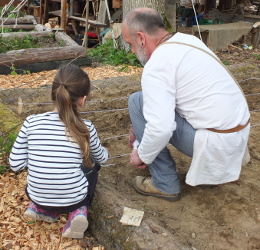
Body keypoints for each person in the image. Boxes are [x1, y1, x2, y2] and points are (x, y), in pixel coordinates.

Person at [122, 7, 250, 201]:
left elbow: (160, 128)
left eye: (130, 44)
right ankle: (212, 172)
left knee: (137, 100)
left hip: (215, 143)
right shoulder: (188, 40)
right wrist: (138, 127)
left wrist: (142, 155)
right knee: (150, 105)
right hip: (236, 139)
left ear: (141, 38)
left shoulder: (157, 65)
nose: (132, 51)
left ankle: (164, 183)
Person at [9, 64, 109, 238]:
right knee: (93, 169)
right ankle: (78, 211)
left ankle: (41, 209)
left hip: (37, 195)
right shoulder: (86, 128)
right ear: (83, 100)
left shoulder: (31, 122)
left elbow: (15, 164)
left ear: (52, 93)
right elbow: (100, 158)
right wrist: (104, 152)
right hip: (74, 199)